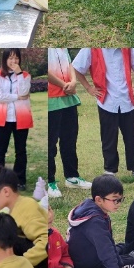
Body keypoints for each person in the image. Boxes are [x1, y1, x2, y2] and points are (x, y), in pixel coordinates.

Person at [72, 48, 134, 179]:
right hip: (107, 101)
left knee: (130, 137)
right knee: (108, 138)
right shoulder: (91, 48)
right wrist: (89, 88)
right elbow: (77, 67)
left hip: (126, 100)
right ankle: (110, 170)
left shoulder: (128, 49)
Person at [66, 174, 134, 268]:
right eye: (115, 200)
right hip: (85, 265)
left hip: (94, 256)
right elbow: (106, 251)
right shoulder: (94, 221)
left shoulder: (97, 212)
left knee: (129, 262)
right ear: (99, 200)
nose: (119, 203)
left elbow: (109, 244)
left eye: (120, 199)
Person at [46, 48, 89, 200]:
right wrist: (64, 84)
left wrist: (74, 81)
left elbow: (69, 63)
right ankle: (49, 181)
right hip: (51, 100)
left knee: (70, 140)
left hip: (68, 98)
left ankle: (72, 177)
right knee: (50, 144)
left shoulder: (62, 47)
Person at [0, 50, 33, 189]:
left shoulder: (25, 75)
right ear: (5, 59)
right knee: (0, 150)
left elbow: (24, 92)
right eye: (10, 58)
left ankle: (20, 180)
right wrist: (17, 97)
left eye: (16, 58)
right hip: (3, 117)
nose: (13, 61)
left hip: (21, 117)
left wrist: (19, 74)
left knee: (21, 150)